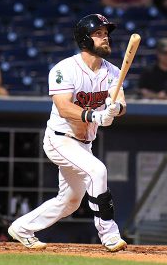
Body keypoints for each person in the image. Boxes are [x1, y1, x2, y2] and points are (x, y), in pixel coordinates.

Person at [8, 14, 127, 252]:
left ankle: (21, 228)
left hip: (84, 143)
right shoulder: (64, 69)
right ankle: (109, 234)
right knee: (97, 171)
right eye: (99, 34)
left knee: (70, 201)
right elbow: (63, 107)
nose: (106, 38)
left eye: (106, 34)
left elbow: (121, 103)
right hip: (59, 139)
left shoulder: (113, 71)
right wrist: (95, 115)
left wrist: (115, 109)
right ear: (85, 39)